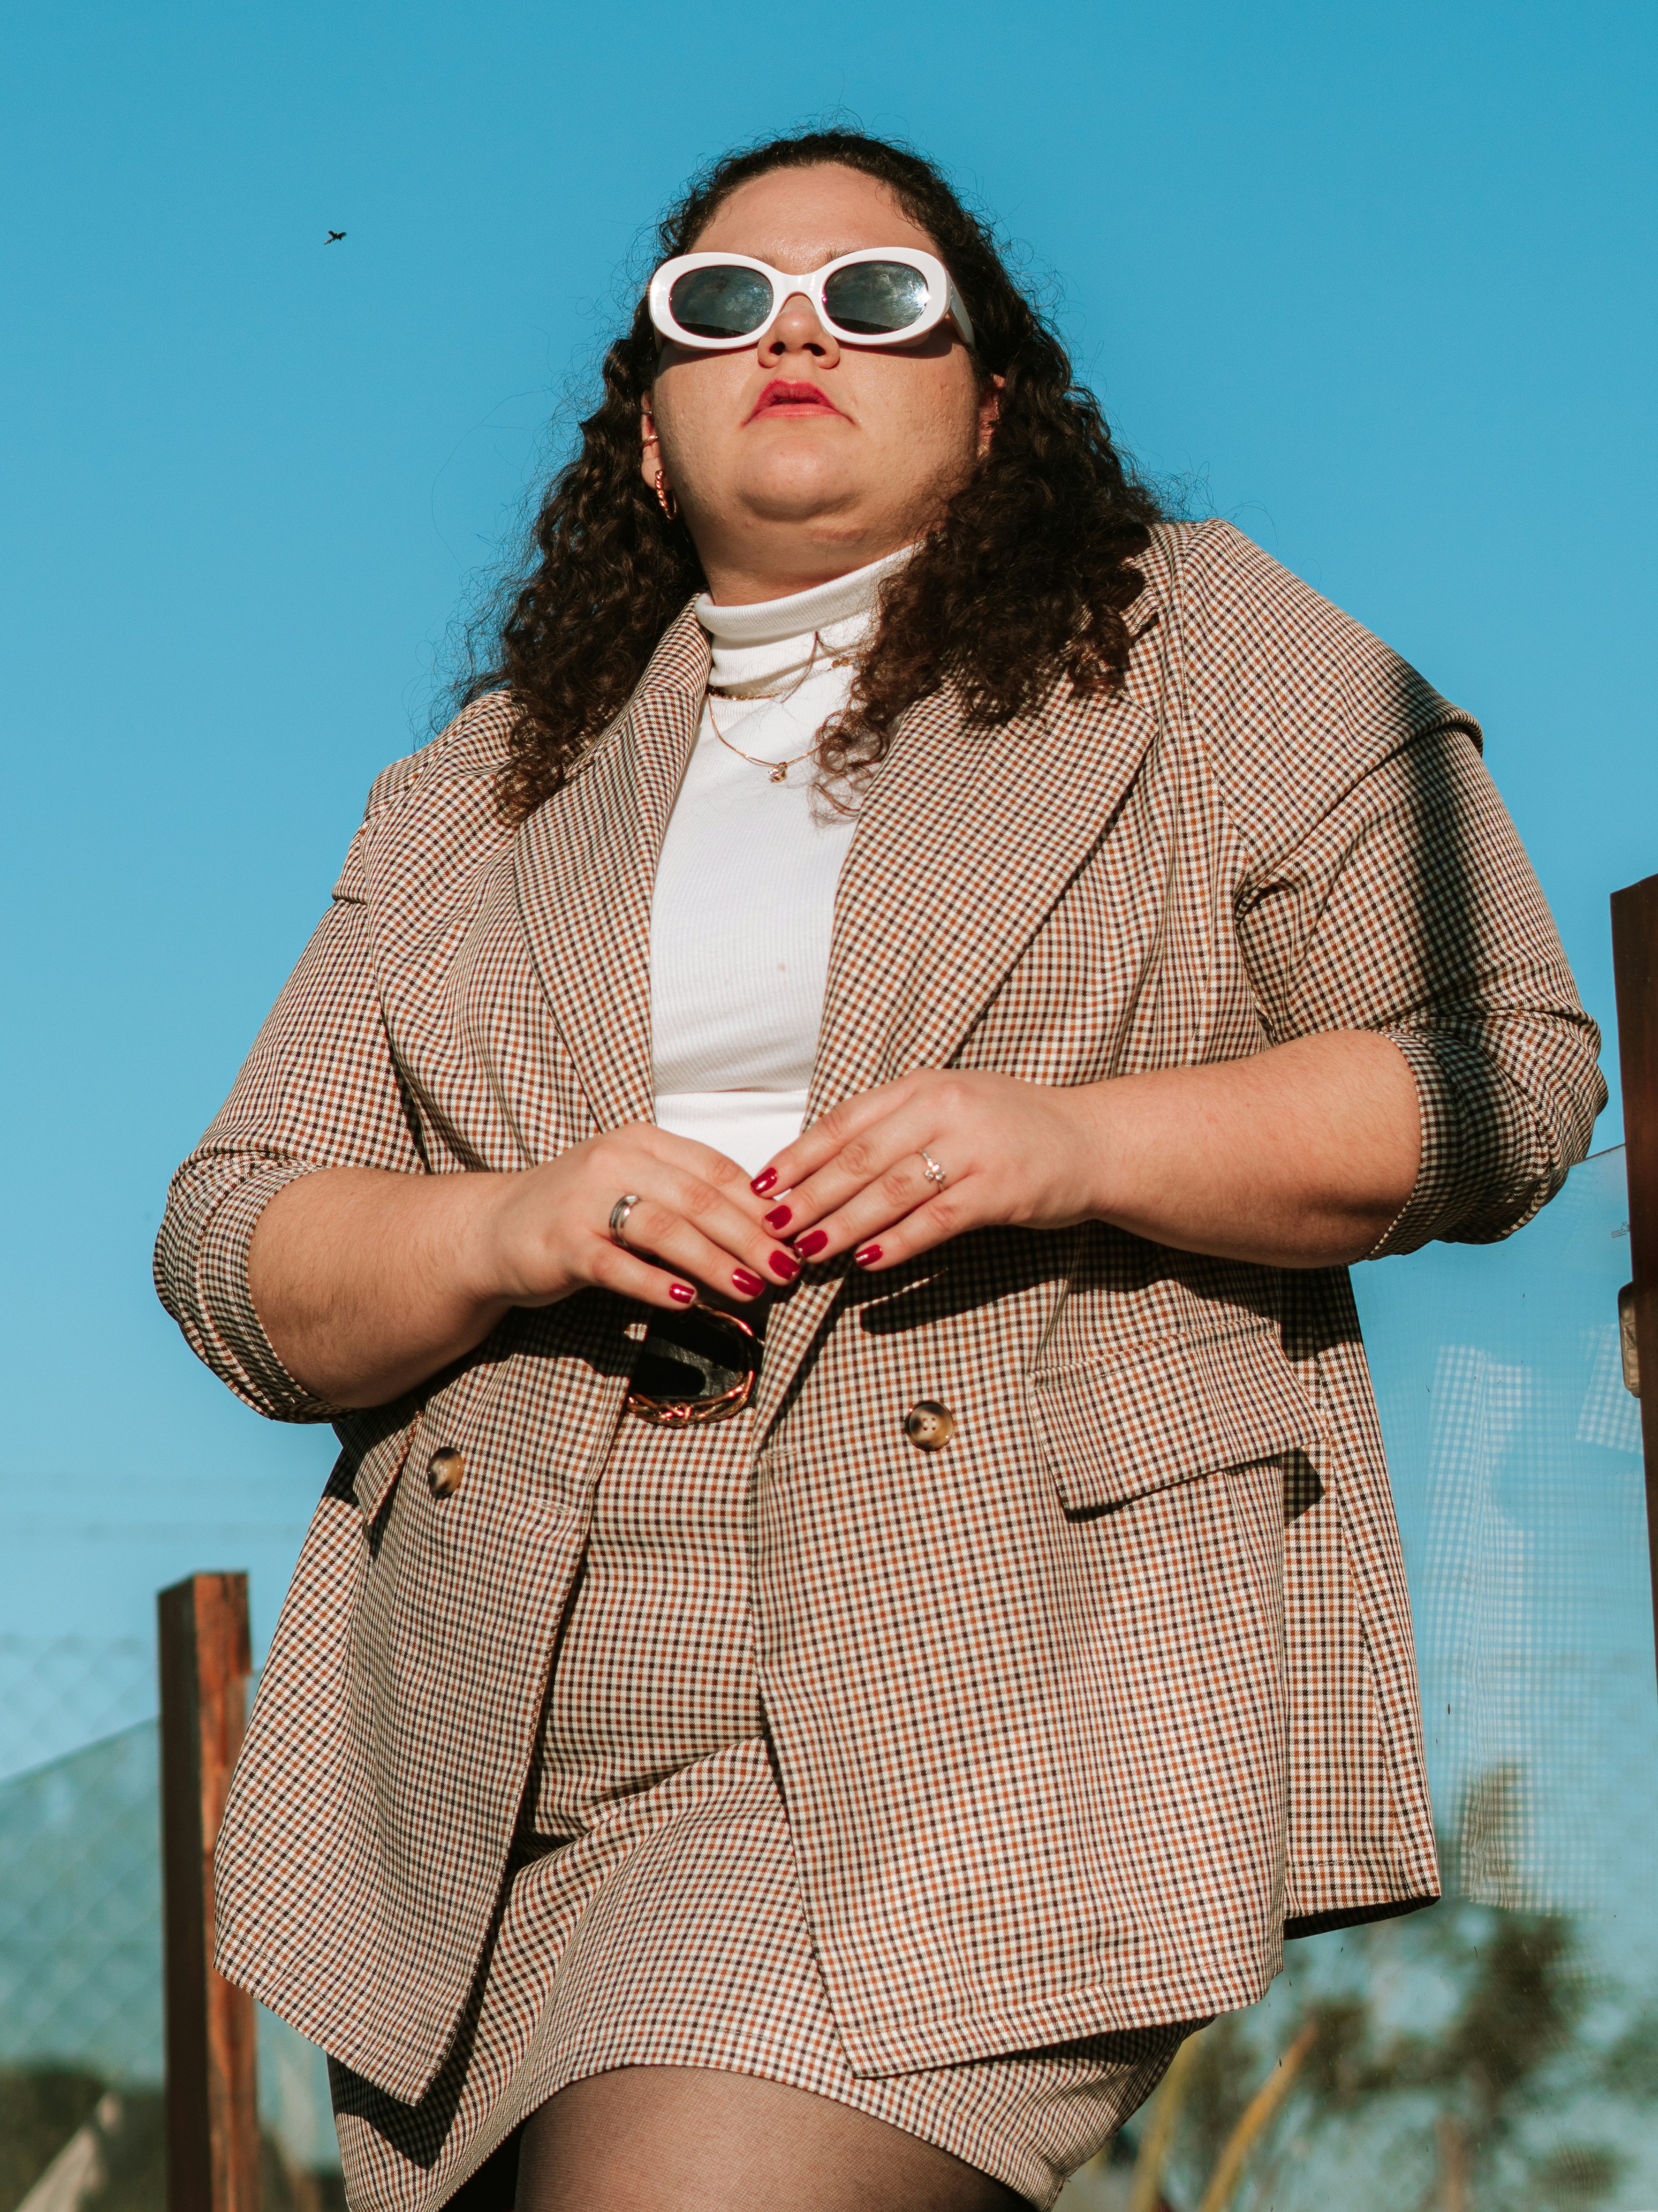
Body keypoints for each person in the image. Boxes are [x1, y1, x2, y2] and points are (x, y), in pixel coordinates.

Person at [154, 126, 1600, 2212]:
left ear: (993, 403)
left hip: (989, 1662)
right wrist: (507, 1222)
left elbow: (1504, 1072)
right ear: (647, 437)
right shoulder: (471, 792)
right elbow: (236, 1247)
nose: (798, 334)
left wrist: (1074, 1139)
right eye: (722, 305)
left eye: (879, 296)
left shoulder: (1201, 646)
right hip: (491, 1727)